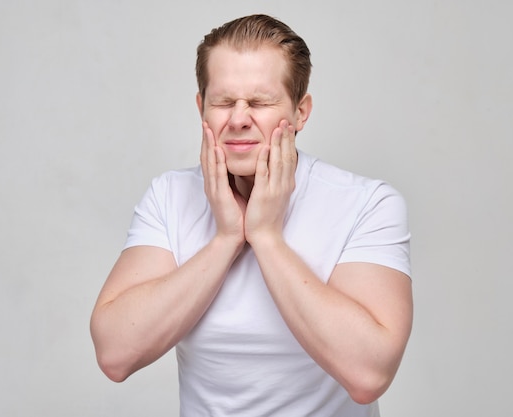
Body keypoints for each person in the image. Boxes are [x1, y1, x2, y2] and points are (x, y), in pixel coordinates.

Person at [90, 14, 413, 417]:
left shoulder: (367, 203)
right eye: (224, 101)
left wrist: (266, 237)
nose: (239, 118)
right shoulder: (169, 195)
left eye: (260, 102)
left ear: (300, 112)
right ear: (201, 108)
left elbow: (369, 374)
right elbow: (115, 353)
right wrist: (226, 239)